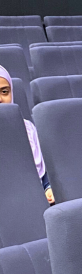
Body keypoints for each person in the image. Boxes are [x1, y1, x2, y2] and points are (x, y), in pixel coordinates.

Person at [0, 65, 53, 203]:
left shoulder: (27, 128)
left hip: (34, 200)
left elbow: (43, 172)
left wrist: (48, 188)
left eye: (4, 92)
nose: (0, 99)